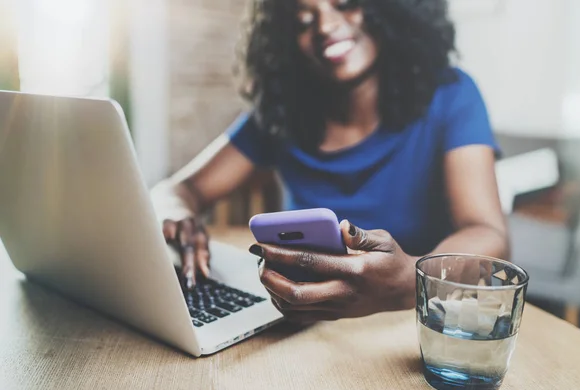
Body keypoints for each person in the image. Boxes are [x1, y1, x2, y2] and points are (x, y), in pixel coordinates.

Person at [151, 0, 508, 324]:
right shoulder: (281, 113)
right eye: (304, 20)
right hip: (307, 323)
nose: (325, 26)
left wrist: (411, 280)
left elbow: (488, 233)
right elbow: (178, 189)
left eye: (347, 4)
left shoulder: (452, 96)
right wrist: (177, 215)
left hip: (415, 322)